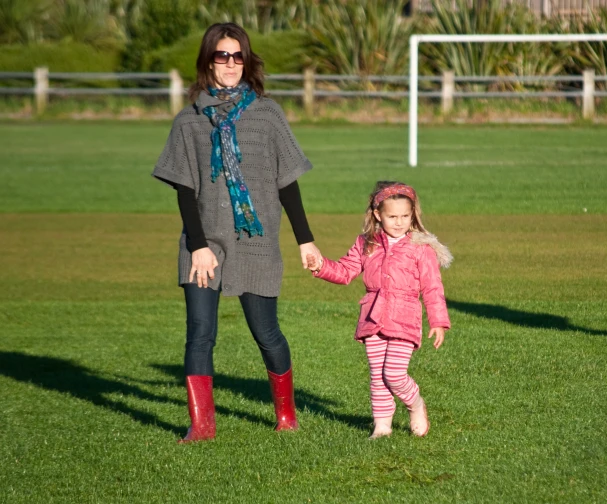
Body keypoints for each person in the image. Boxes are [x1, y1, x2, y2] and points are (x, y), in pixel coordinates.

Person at [152, 22, 321, 442]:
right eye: (221, 56)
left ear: (248, 61)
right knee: (200, 333)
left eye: (238, 56)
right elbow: (185, 190)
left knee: (267, 333)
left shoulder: (268, 114)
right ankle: (202, 426)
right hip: (204, 243)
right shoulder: (189, 121)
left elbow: (287, 183)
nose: (230, 64)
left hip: (257, 241)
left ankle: (286, 416)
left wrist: (306, 239)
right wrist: (198, 247)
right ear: (207, 60)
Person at [305, 181, 452, 438]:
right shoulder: (367, 243)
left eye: (405, 216)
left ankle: (415, 404)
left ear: (413, 214)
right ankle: (382, 427)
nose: (399, 222)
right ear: (377, 215)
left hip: (404, 316)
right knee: (377, 375)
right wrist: (320, 266)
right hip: (372, 316)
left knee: (394, 373)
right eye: (392, 216)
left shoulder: (421, 248)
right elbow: (345, 271)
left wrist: (438, 321)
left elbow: (432, 288)